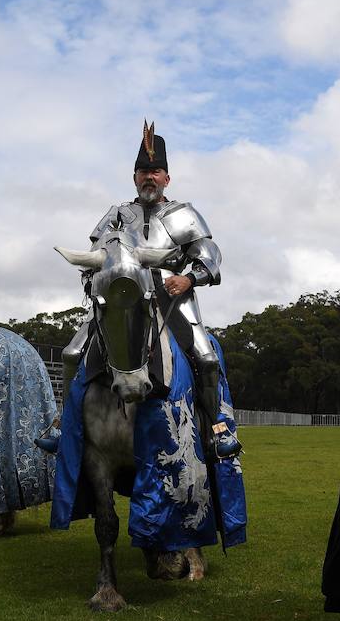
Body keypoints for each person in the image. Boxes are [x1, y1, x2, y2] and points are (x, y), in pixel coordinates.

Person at [46, 121, 240, 459]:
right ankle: (63, 423)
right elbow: (95, 258)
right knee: (72, 353)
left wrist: (189, 279)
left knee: (206, 358)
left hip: (171, 297)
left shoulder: (183, 214)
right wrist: (96, 281)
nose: (149, 176)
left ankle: (216, 428)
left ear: (167, 178)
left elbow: (208, 255)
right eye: (143, 171)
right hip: (122, 298)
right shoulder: (117, 215)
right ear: (134, 177)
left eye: (156, 171)